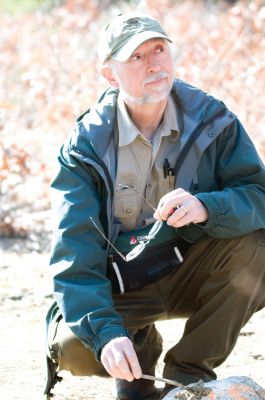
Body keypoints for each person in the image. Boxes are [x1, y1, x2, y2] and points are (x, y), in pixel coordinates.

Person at [44, 12, 265, 400]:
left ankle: (187, 379)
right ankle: (137, 366)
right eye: (136, 57)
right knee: (74, 347)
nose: (153, 64)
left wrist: (207, 207)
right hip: (122, 287)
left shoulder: (213, 121)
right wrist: (107, 334)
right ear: (109, 75)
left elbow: (259, 195)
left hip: (190, 271)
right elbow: (73, 260)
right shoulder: (83, 149)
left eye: (159, 49)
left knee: (259, 248)